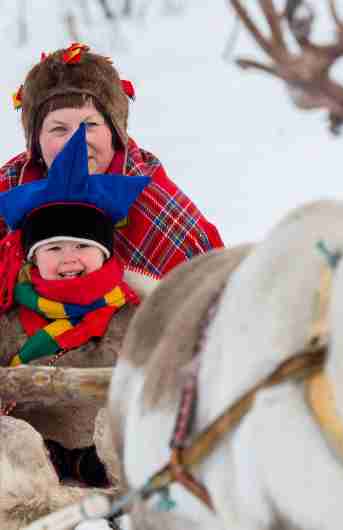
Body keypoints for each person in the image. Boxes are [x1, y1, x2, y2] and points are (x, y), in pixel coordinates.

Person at [0, 123, 149, 491]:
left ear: (103, 253)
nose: (69, 259)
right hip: (24, 473)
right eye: (54, 249)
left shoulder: (131, 317)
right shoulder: (10, 319)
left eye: (82, 247)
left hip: (112, 471)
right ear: (35, 259)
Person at [1, 42, 223, 282]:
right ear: (36, 142)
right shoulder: (12, 186)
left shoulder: (151, 202)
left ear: (115, 133)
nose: (76, 142)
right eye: (58, 128)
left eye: (90, 125)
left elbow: (210, 294)